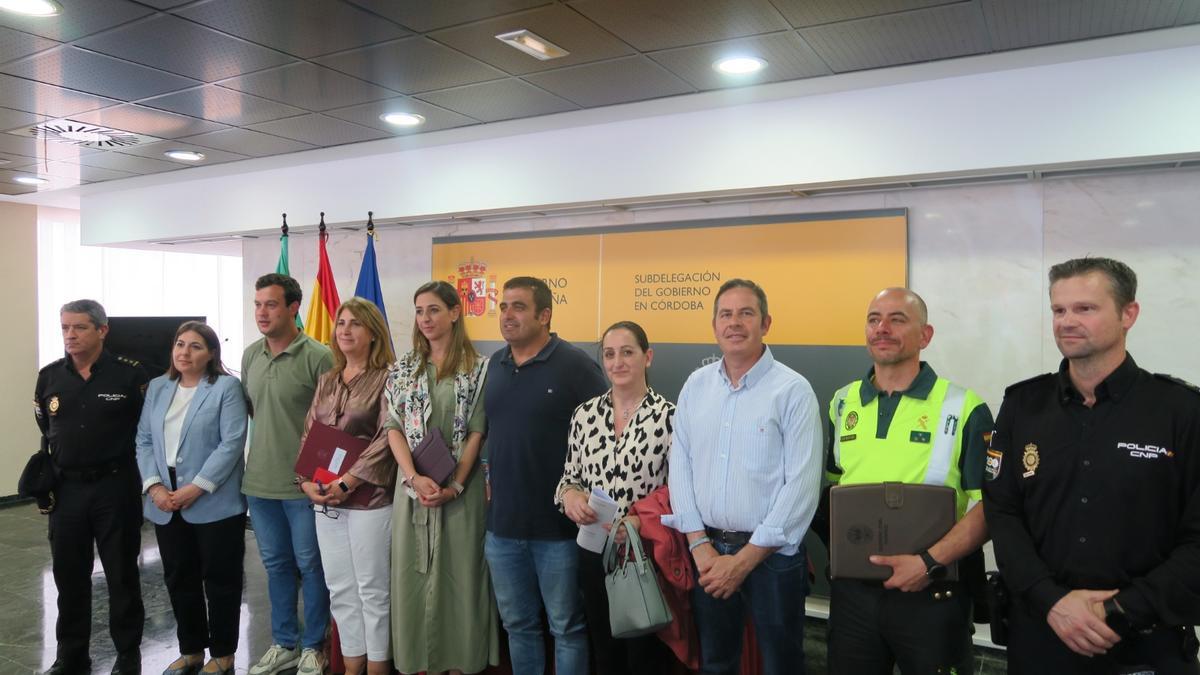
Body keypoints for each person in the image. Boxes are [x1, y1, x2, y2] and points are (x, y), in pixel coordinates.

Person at [983, 257, 1200, 675]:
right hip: (1040, 635)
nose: (1067, 321)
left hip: (1145, 641)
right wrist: (1051, 601)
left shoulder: (1181, 412)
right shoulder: (1021, 406)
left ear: (1128, 314)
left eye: (1085, 308)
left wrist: (1118, 610)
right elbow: (1003, 512)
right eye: (1059, 310)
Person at [820, 288, 993, 673]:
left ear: (925, 336)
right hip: (854, 596)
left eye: (898, 319)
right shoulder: (842, 402)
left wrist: (928, 562)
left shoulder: (964, 407)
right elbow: (835, 491)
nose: (882, 328)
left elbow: (991, 506)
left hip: (933, 592)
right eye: (873, 319)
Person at [663, 278, 822, 675]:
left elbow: (801, 488)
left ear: (766, 323)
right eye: (726, 314)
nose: (735, 323)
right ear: (714, 326)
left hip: (773, 560)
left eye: (746, 313)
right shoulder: (695, 387)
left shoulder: (793, 391)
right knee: (716, 663)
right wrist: (700, 546)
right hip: (709, 554)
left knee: (781, 665)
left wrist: (745, 560)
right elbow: (679, 465)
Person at [483, 276, 608, 675]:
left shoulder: (576, 366)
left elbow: (604, 439)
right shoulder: (495, 365)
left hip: (559, 530)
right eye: (503, 307)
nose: (507, 315)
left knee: (566, 628)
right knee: (518, 625)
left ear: (545, 315)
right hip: (502, 528)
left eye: (518, 306)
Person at [387, 281, 498, 674]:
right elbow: (393, 426)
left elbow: (477, 431)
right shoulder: (404, 368)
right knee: (412, 579)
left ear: (454, 313)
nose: (425, 319)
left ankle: (460, 664)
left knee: (459, 580)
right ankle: (419, 663)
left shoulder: (480, 369)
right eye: (419, 311)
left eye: (434, 309)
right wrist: (414, 477)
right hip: (413, 493)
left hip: (459, 496)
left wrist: (454, 486)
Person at [35, 299, 149, 675]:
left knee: (121, 575)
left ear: (102, 330)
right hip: (67, 490)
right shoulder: (50, 376)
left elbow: (146, 431)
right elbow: (45, 427)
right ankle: (71, 654)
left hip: (115, 487)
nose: (70, 335)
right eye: (65, 327)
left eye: (79, 327)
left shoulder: (131, 376)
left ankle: (128, 653)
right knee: (69, 575)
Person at [555, 320, 675, 675]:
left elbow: (682, 494)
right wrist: (572, 497)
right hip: (594, 553)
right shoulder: (584, 414)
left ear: (647, 357)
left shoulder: (669, 418)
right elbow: (567, 480)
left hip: (645, 557)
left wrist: (639, 521)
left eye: (627, 352)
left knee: (645, 659)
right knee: (604, 654)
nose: (617, 362)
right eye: (609, 354)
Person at [135, 321, 248, 675]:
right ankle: (191, 650)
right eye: (180, 344)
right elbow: (144, 440)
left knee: (221, 579)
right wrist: (154, 486)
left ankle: (224, 653)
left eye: (195, 346)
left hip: (212, 498)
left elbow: (231, 443)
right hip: (164, 496)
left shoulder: (226, 388)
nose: (185, 352)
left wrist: (196, 487)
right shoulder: (157, 386)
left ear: (211, 353)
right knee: (178, 576)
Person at [298, 298, 397, 675]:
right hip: (326, 499)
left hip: (370, 500)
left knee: (373, 590)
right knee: (340, 588)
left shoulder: (390, 376)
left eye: (355, 324)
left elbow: (388, 437)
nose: (344, 330)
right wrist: (307, 481)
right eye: (341, 323)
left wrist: (348, 480)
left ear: (373, 333)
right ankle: (351, 665)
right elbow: (311, 432)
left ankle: (377, 667)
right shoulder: (328, 378)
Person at [241, 273, 333, 675]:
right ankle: (284, 643)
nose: (262, 312)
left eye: (271, 304)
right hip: (259, 483)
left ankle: (315, 644)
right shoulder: (250, 356)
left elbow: (332, 425)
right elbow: (254, 412)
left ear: (294, 308)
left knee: (311, 566)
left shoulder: (320, 356)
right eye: (258, 304)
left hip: (304, 487)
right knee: (275, 566)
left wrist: (316, 478)